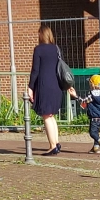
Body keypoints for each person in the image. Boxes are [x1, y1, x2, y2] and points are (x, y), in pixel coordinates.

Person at [29, 24, 67, 156]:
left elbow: (35, 71)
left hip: (44, 85)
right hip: (56, 85)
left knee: (46, 115)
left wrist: (30, 87)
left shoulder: (38, 50)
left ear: (41, 35)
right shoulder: (56, 49)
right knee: (51, 116)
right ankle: (56, 142)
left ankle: (52, 146)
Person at [77, 73, 100, 154]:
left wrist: (75, 96)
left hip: (94, 117)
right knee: (96, 132)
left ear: (93, 85)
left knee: (92, 133)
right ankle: (96, 148)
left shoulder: (92, 95)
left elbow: (83, 102)